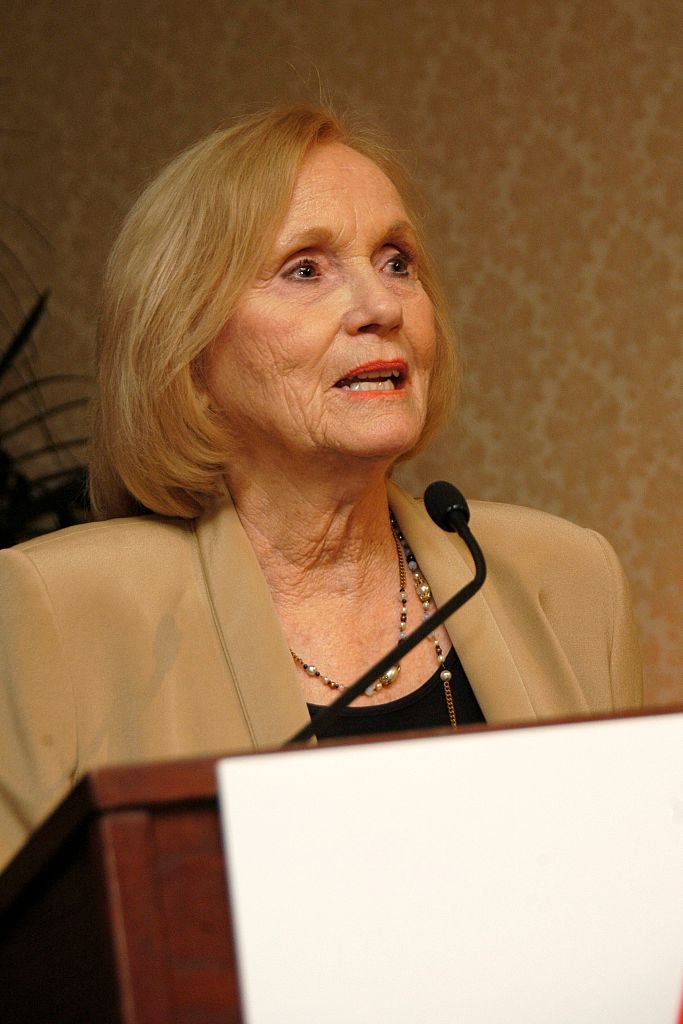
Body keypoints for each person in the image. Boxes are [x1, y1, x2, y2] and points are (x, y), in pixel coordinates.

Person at [0, 104, 642, 871]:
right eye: (305, 268)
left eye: (397, 261)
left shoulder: (565, 580)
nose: (381, 308)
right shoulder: (58, 608)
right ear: (187, 351)